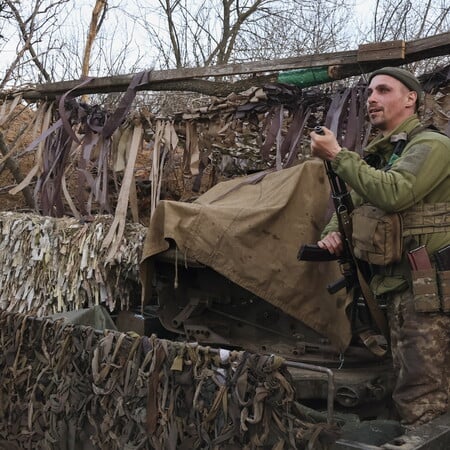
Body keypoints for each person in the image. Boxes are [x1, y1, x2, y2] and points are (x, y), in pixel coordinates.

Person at [310, 66, 450, 426]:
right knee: (404, 388)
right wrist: (333, 232)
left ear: (410, 99)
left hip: (428, 294)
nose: (372, 98)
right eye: (370, 92)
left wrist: (339, 156)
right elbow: (353, 202)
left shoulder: (432, 146)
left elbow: (394, 192)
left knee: (422, 400)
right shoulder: (384, 153)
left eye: (384, 90)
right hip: (395, 291)